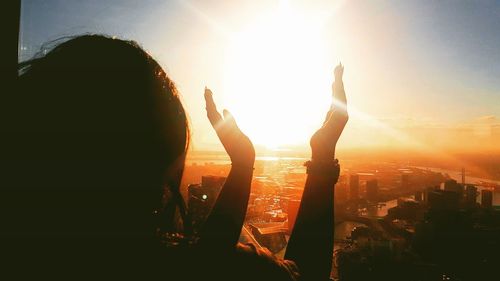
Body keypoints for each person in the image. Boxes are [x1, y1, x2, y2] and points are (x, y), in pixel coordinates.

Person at [9, 35, 348, 280]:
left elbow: (206, 258)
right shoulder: (172, 264)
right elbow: (299, 274)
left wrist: (243, 166)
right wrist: (322, 158)